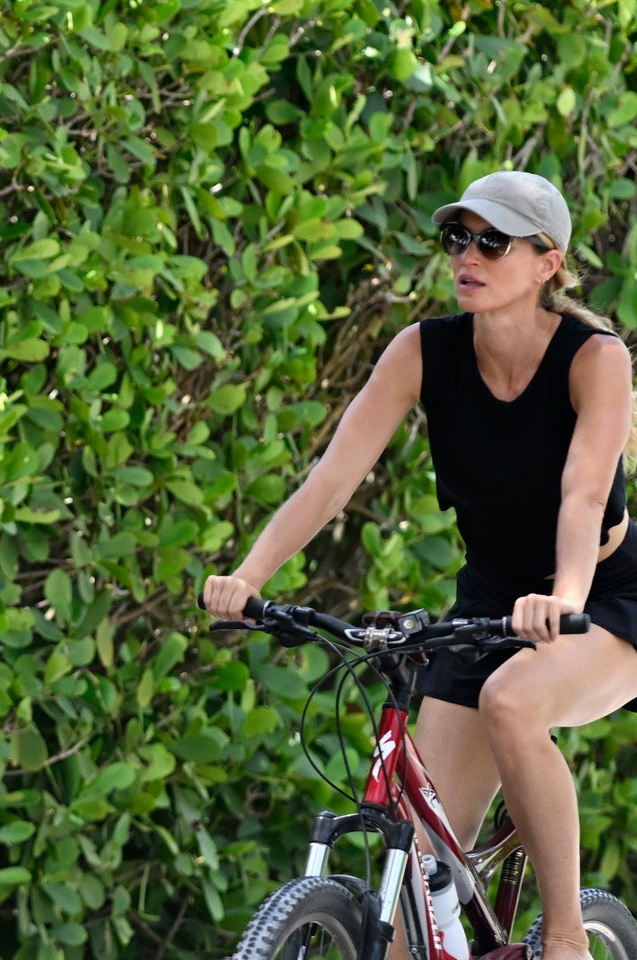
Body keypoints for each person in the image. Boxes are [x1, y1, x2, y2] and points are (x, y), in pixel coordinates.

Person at [202, 170, 637, 960]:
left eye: (492, 241)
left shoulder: (594, 358)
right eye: (458, 238)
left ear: (549, 262)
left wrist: (563, 596)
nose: (468, 255)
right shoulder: (423, 352)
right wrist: (250, 577)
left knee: (513, 700)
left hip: (604, 599)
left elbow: (582, 495)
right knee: (413, 911)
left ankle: (569, 937)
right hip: (491, 601)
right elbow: (331, 479)